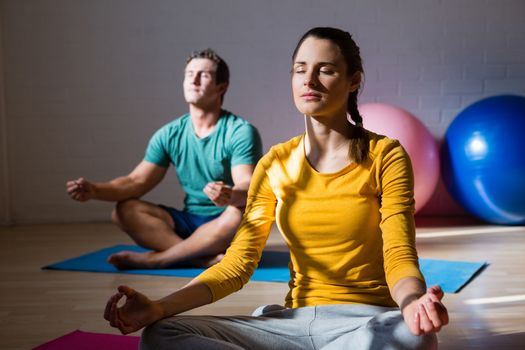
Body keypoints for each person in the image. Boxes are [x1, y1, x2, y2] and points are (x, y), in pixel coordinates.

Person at [104, 27, 448, 349]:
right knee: (161, 334)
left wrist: (413, 303)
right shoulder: (275, 163)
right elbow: (237, 265)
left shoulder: (385, 155)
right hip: (292, 323)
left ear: (353, 80)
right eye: (300, 69)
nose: (309, 80)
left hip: (364, 324)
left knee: (416, 339)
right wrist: (159, 308)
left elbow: (399, 255)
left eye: (325, 69)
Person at [66, 49, 263, 269]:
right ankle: (198, 257)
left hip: (225, 223)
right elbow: (135, 182)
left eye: (204, 75)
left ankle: (158, 259)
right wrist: (95, 190)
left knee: (239, 212)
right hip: (189, 221)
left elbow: (247, 186)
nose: (194, 80)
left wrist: (229, 195)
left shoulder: (240, 131)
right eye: (189, 74)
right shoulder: (169, 133)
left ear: (221, 87)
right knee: (124, 210)